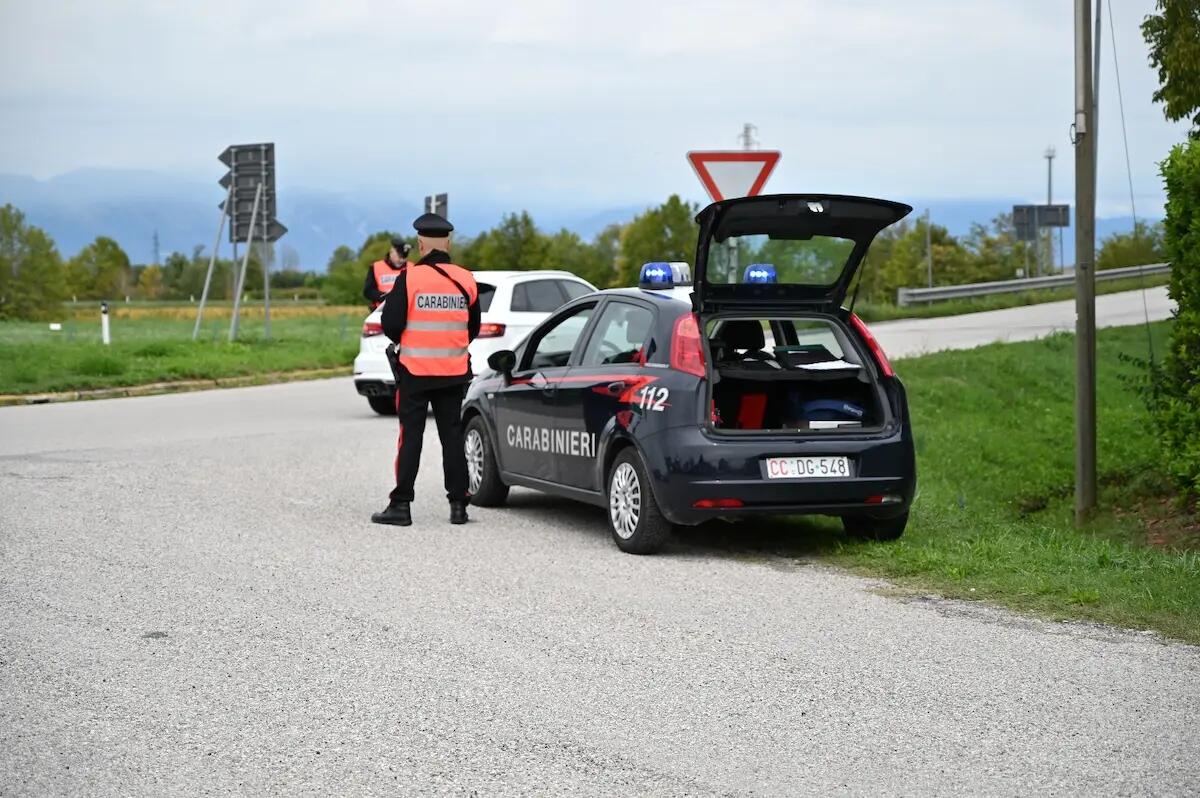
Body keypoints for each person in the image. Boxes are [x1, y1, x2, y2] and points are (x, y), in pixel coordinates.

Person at [372, 212, 481, 527]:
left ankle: (401, 506)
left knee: (412, 437)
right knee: (452, 436)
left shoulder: (410, 278)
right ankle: (459, 506)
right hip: (454, 371)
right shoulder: (466, 279)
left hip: (415, 372)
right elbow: (472, 327)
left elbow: (391, 325)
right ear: (448, 242)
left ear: (420, 244)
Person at [363, 237, 412, 308]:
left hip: (405, 310)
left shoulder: (412, 268)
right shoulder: (376, 267)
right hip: (380, 311)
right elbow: (368, 291)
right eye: (400, 255)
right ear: (391, 252)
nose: (402, 259)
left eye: (404, 256)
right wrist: (386, 297)